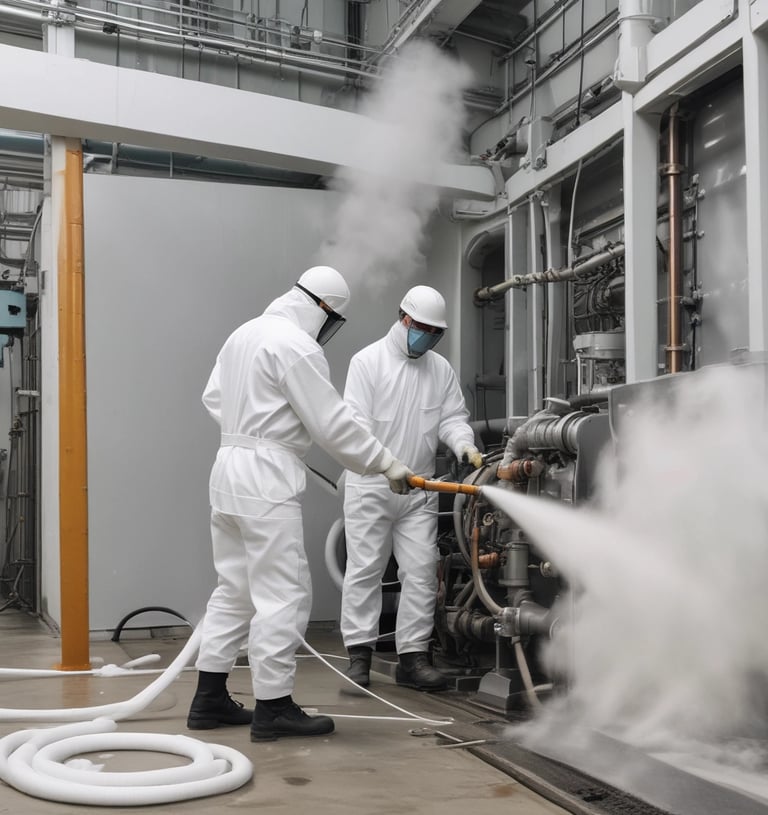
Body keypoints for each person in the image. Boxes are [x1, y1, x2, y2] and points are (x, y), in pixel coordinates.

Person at [186, 265, 413, 741]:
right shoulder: (296, 344)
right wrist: (386, 464)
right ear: (322, 308)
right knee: (282, 595)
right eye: (332, 318)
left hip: (227, 467)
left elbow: (213, 396)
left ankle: (208, 699)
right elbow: (333, 424)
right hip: (266, 477)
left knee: (234, 589)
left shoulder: (243, 334)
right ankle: (274, 707)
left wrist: (252, 431)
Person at [340, 285, 484, 691]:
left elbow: (452, 417)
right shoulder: (367, 362)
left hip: (419, 488)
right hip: (372, 483)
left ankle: (413, 658)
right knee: (365, 570)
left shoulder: (440, 369)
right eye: (422, 329)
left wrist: (464, 443)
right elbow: (355, 427)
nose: (428, 338)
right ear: (403, 320)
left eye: (436, 333)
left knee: (421, 572)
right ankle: (359, 657)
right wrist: (385, 466)